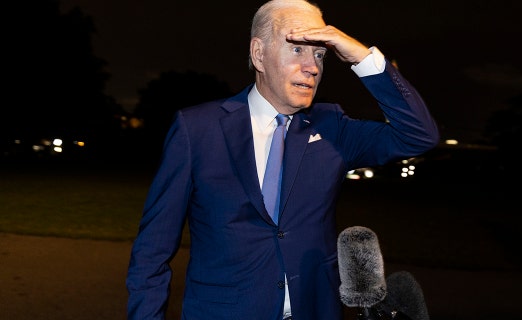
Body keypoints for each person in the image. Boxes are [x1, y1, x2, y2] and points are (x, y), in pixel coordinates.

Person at [126, 0, 439, 319]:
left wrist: (363, 58)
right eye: (299, 50)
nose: (313, 67)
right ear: (258, 53)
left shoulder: (332, 127)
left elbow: (418, 136)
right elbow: (152, 250)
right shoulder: (198, 130)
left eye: (320, 54)